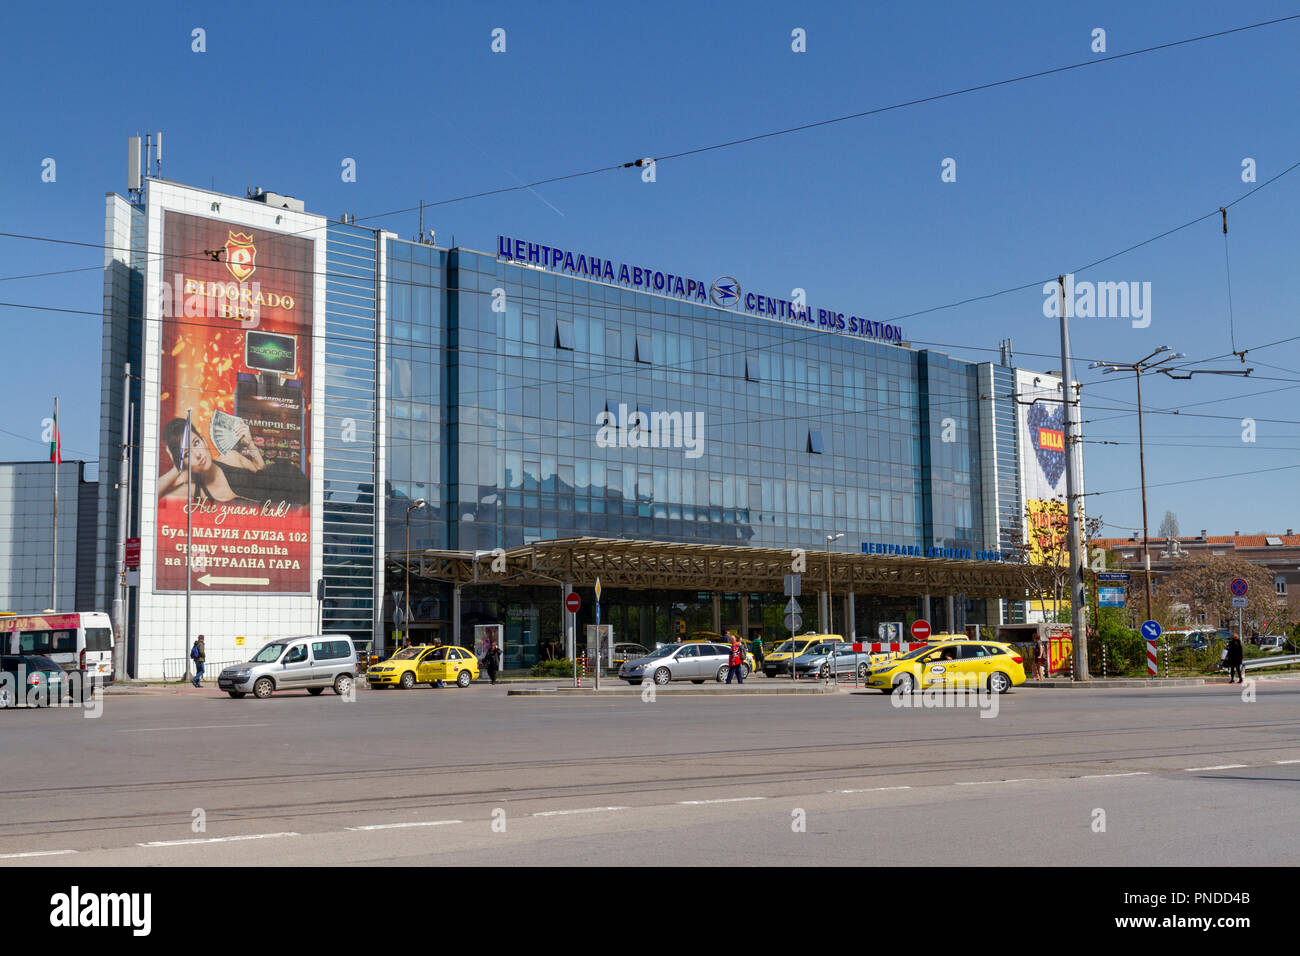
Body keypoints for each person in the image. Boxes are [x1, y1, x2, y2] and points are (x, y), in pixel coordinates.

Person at [159, 417, 308, 506]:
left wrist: (250, 444)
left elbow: (268, 480)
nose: (197, 454)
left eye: (196, 443)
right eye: (187, 454)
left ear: (204, 440)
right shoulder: (191, 490)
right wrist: (175, 469)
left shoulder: (231, 457)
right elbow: (151, 502)